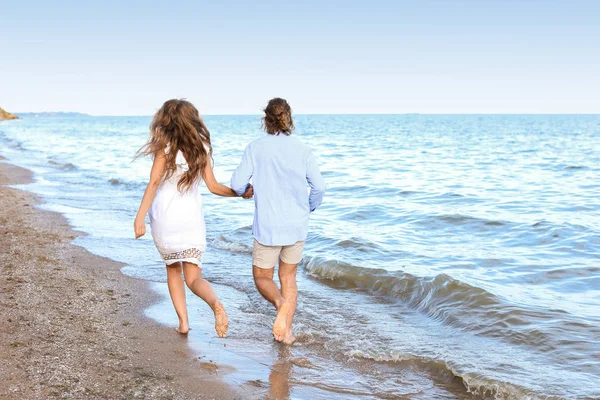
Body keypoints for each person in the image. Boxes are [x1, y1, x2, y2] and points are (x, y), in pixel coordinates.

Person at [134, 99, 253, 338]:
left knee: (172, 270)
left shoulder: (164, 148)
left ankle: (184, 324)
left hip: (166, 216)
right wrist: (239, 193)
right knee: (194, 277)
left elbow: (154, 183)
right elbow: (213, 186)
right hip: (191, 218)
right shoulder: (202, 148)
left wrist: (139, 218)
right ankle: (215, 304)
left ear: (166, 120)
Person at [231, 98, 326, 344]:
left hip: (268, 226)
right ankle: (287, 334)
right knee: (289, 279)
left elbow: (236, 184)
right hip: (296, 225)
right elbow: (319, 187)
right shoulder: (303, 149)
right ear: (289, 118)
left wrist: (246, 190)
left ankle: (280, 306)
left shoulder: (255, 147)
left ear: (266, 120)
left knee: (262, 277)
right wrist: (308, 208)